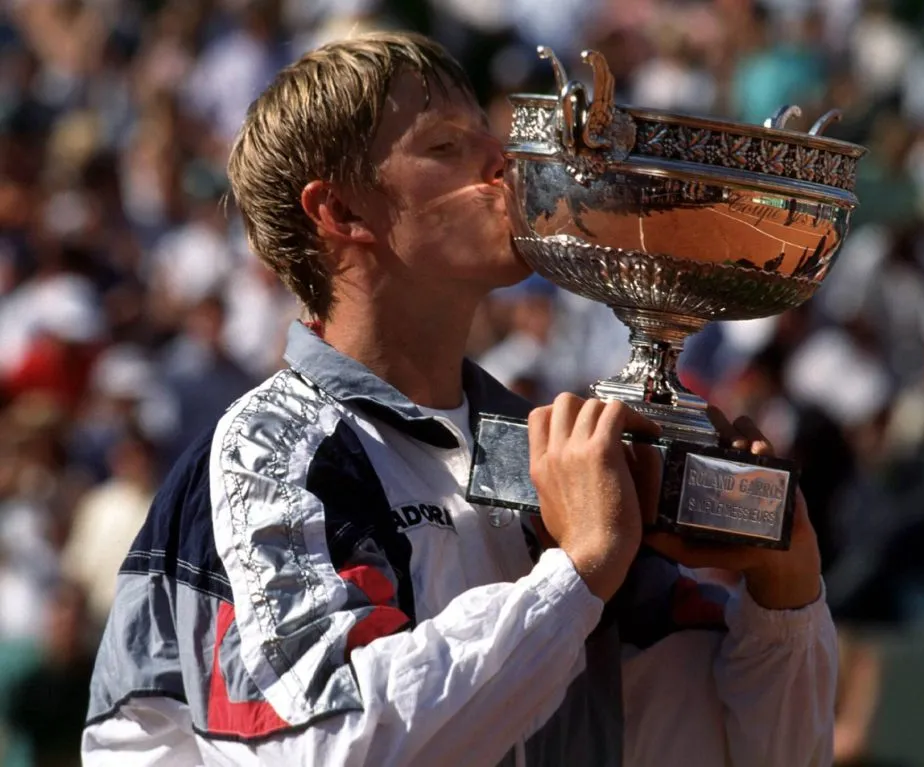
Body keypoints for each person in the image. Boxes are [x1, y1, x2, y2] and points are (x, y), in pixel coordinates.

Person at [82, 31, 835, 766]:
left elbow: (745, 747)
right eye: (446, 147)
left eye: (489, 132)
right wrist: (576, 575)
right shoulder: (268, 449)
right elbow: (317, 744)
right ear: (341, 213)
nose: (502, 159)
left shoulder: (542, 453)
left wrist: (784, 596)